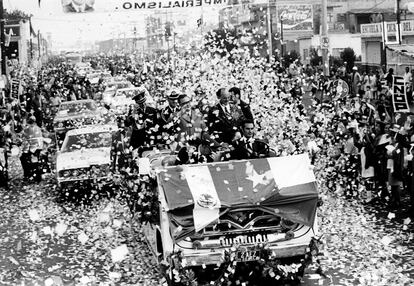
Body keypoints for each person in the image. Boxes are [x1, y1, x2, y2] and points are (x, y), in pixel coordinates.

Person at [124, 89, 158, 153]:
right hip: (137, 139)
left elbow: (156, 123)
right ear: (136, 103)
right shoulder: (133, 111)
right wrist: (132, 115)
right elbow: (127, 124)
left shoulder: (152, 110)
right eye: (140, 103)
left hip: (150, 139)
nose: (142, 105)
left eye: (143, 102)